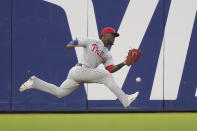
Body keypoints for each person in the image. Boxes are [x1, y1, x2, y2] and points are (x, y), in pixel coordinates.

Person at [19, 27, 139, 108]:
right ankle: (125, 99)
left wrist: (124, 63)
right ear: (105, 34)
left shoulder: (108, 54)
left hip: (82, 74)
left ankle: (35, 82)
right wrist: (72, 44)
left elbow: (110, 70)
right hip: (80, 70)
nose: (114, 38)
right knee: (105, 76)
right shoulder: (92, 40)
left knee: (60, 93)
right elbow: (76, 41)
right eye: (113, 35)